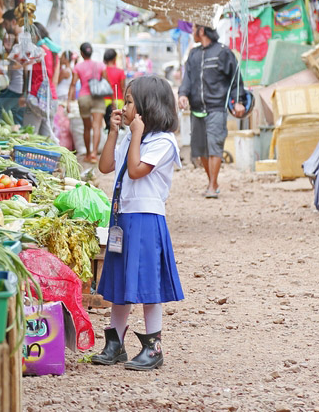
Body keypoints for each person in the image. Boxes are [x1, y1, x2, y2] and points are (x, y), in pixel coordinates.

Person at [93, 75, 184, 371]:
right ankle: (115, 343)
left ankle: (153, 347)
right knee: (121, 279)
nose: (124, 106)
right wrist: (113, 131)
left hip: (146, 218)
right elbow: (105, 166)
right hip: (122, 216)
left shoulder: (163, 142)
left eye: (129, 101)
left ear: (147, 107)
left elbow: (135, 171)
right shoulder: (129, 138)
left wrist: (134, 135)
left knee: (147, 282)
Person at [177, 24, 247, 198]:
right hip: (197, 109)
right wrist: (183, 94)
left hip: (217, 107)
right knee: (201, 150)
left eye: (194, 30)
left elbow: (235, 79)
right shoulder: (193, 54)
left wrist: (238, 101)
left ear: (202, 31)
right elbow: (187, 78)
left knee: (215, 146)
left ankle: (211, 185)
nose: (192, 33)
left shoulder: (223, 52)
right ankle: (213, 182)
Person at [69, 42, 105, 163]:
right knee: (96, 126)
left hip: (84, 97)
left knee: (86, 127)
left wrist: (69, 101)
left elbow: (73, 84)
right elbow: (105, 81)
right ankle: (94, 153)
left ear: (82, 53)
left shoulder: (78, 67)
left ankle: (88, 154)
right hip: (98, 97)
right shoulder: (100, 65)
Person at [22, 23, 58, 137]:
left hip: (36, 98)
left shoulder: (36, 52)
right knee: (47, 139)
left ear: (35, 37)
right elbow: (54, 78)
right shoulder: (53, 51)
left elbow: (20, 66)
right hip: (51, 98)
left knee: (29, 137)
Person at [0, 33, 25, 124]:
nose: (5, 45)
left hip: (15, 90)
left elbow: (20, 66)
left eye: (8, 42)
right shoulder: (12, 55)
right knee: (11, 116)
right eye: (4, 41)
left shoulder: (17, 54)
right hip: (15, 89)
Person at [103, 48, 126, 125]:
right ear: (114, 58)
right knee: (118, 124)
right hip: (118, 99)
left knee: (106, 124)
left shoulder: (103, 71)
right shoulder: (120, 72)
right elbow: (123, 88)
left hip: (104, 100)